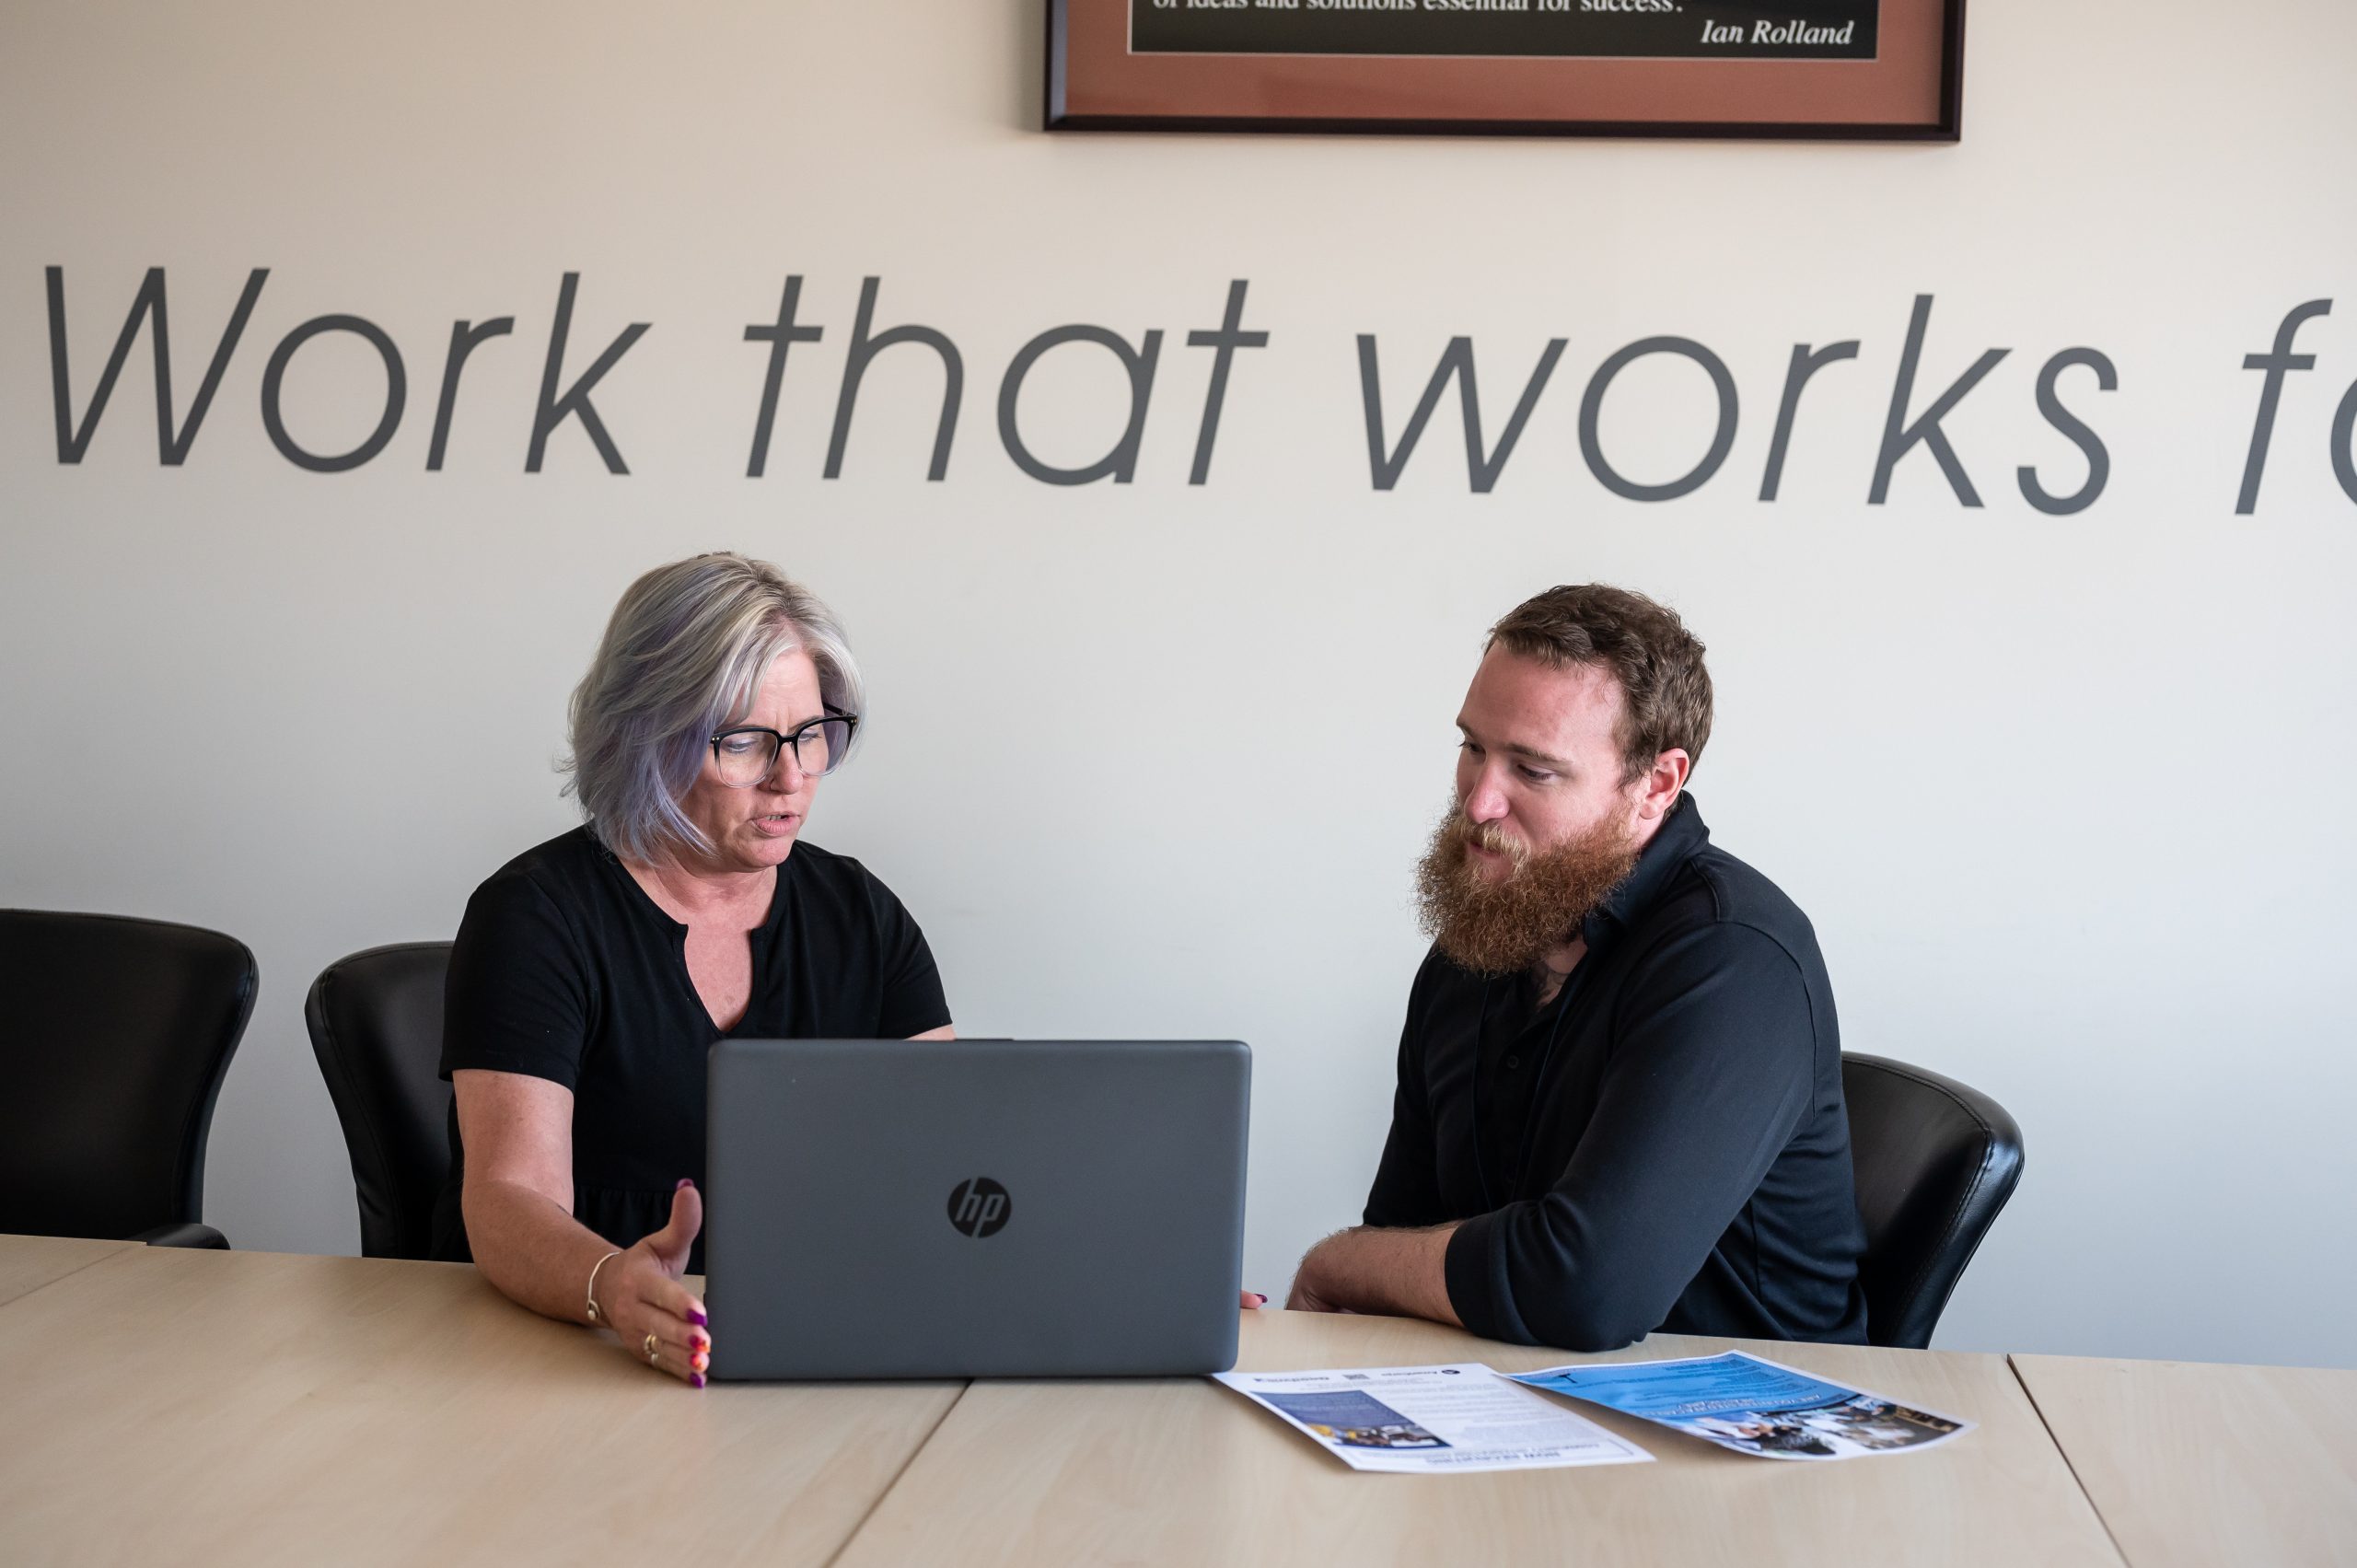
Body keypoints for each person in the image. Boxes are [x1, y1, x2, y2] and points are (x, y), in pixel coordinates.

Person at [1285, 585, 1869, 1349]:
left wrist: (1338, 1264)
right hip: (1515, 1406)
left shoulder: (1736, 956)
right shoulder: (1476, 945)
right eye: (1472, 748)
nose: (1479, 801)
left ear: (1654, 786)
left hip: (1739, 1438)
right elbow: (1404, 1243)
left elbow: (1587, 1288)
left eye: (1532, 769)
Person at [430, 552, 955, 1387]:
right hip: (575, 1359)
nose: (790, 777)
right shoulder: (534, 916)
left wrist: (1109, 1272)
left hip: (815, 1350)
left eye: (812, 735)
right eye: (746, 741)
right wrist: (610, 1286)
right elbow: (507, 1200)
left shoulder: (863, 916)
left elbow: (961, 1156)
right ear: (645, 737)